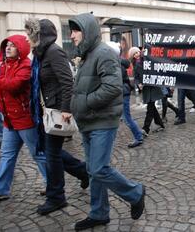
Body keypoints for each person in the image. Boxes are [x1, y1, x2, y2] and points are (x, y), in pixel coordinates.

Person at [68, 13, 145, 230]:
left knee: (99, 168)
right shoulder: (86, 54)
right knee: (93, 170)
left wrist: (84, 103)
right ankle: (99, 213)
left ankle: (135, 192)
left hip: (102, 121)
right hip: (89, 121)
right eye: (71, 30)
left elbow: (113, 88)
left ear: (87, 31)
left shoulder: (103, 53)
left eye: (75, 30)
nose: (71, 35)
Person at [24, 18, 89, 215]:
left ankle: (57, 197)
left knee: (51, 154)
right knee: (51, 151)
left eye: (29, 34)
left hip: (57, 112)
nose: (27, 38)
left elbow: (67, 81)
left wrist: (66, 109)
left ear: (38, 35)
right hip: (45, 111)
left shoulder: (53, 51)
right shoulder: (40, 54)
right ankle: (82, 171)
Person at [0, 35, 47, 201]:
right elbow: (1, 89)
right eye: (7, 45)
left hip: (25, 120)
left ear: (20, 48)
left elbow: (13, 86)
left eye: (12, 45)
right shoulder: (5, 65)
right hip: (10, 121)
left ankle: (53, 185)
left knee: (38, 154)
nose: (8, 48)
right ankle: (0, 190)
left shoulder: (26, 65)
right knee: (7, 155)